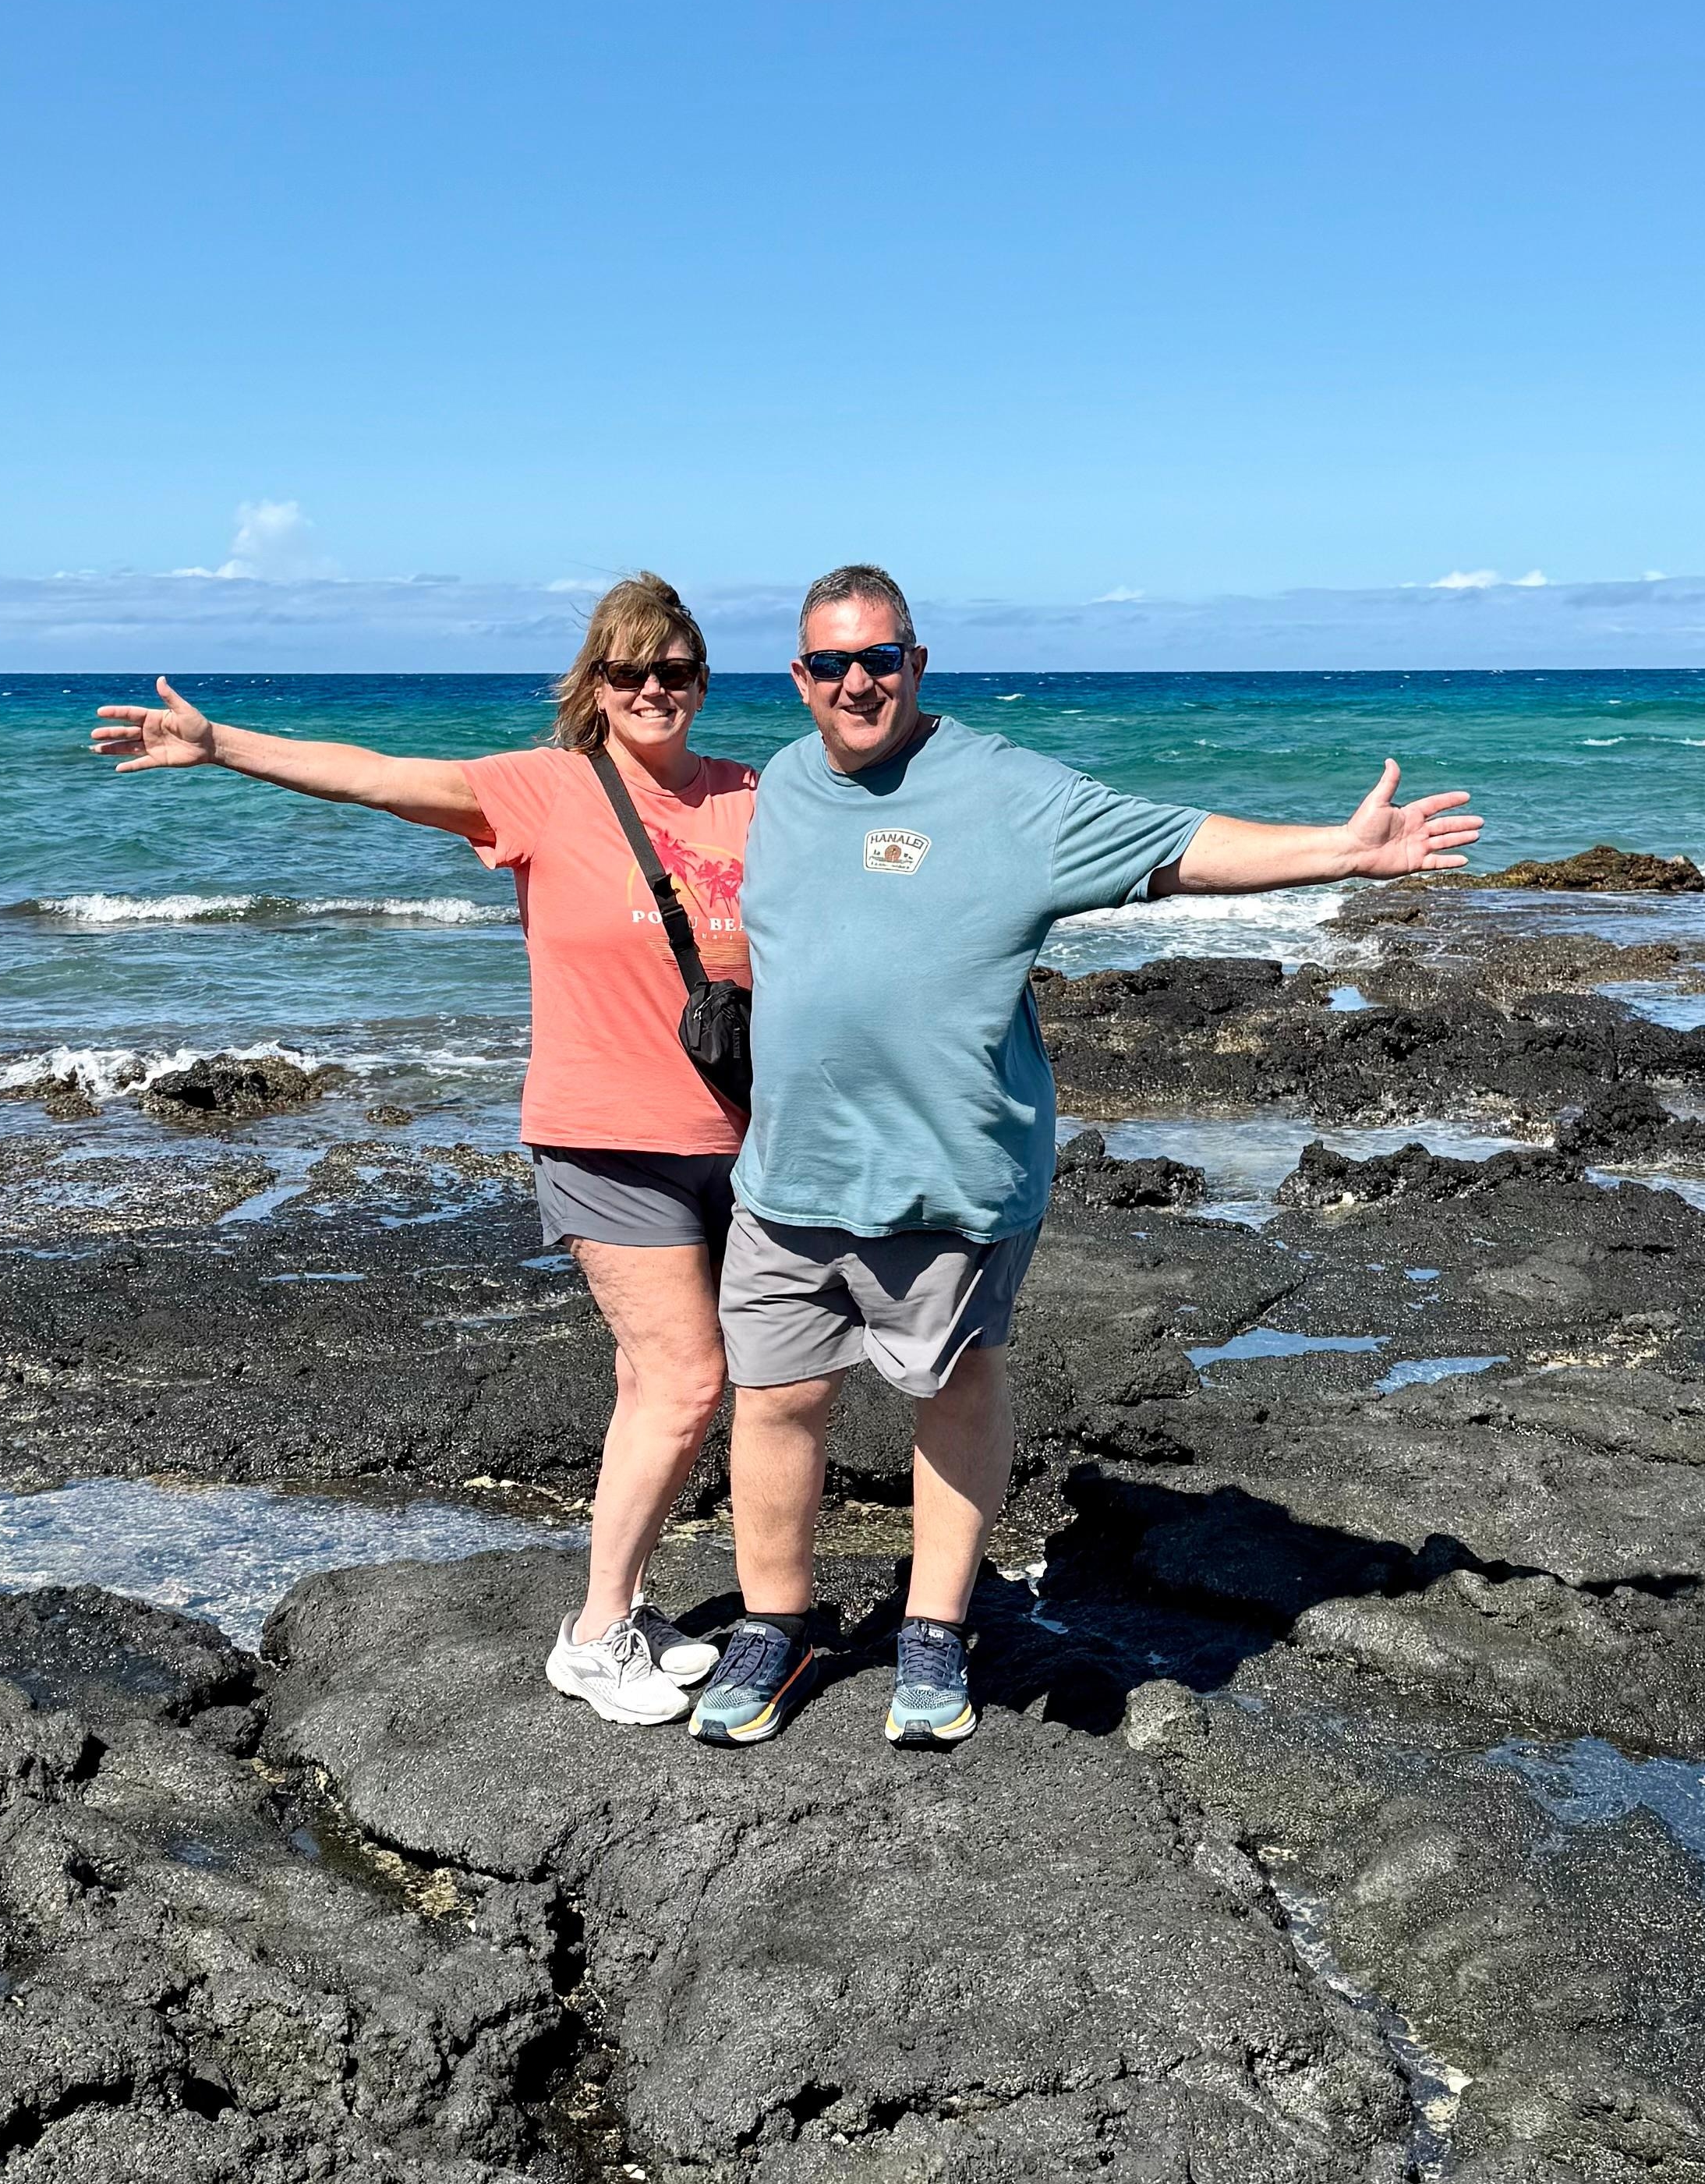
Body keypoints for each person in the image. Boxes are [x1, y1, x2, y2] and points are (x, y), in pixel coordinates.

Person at [690, 564, 1481, 1754]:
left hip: (947, 1171)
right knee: (778, 1399)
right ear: (798, 677)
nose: (858, 682)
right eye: (831, 663)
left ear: (917, 662)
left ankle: (936, 1631)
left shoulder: (1002, 788)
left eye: (880, 659)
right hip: (791, 1173)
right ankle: (776, 1624)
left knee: (952, 1391)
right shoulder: (787, 787)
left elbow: (1173, 844)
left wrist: (1340, 851)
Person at [92, 575, 756, 1726]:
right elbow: (375, 776)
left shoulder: (750, 793)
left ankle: (626, 1602)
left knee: (652, 1382)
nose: (655, 690)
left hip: (743, 1133)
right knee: (693, 1380)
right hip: (604, 1136)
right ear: (593, 687)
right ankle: (595, 1637)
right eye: (630, 671)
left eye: (677, 670)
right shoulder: (544, 792)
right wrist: (218, 745)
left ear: (703, 681)